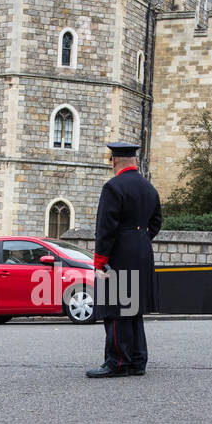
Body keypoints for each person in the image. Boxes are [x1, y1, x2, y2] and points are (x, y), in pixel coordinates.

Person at [88, 140, 162, 377]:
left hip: (119, 255)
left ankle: (117, 362)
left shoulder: (113, 187)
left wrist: (100, 260)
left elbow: (106, 228)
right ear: (135, 161)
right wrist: (140, 239)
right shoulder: (149, 188)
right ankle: (138, 362)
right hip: (142, 252)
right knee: (134, 309)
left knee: (116, 310)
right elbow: (156, 222)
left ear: (114, 161)